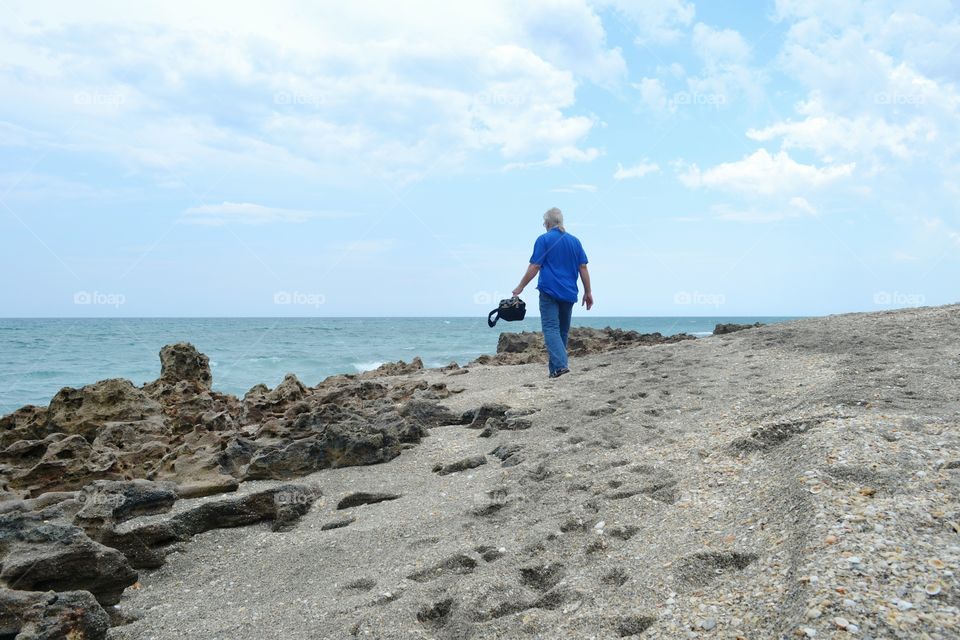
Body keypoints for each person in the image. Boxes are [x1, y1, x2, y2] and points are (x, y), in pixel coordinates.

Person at [512, 207, 593, 378]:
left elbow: (535, 266)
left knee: (551, 328)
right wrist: (588, 292)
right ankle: (555, 370)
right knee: (561, 331)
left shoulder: (544, 239)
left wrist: (521, 286)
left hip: (549, 290)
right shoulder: (575, 241)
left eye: (544, 223)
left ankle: (561, 365)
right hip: (569, 292)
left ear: (548, 223)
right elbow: (583, 267)